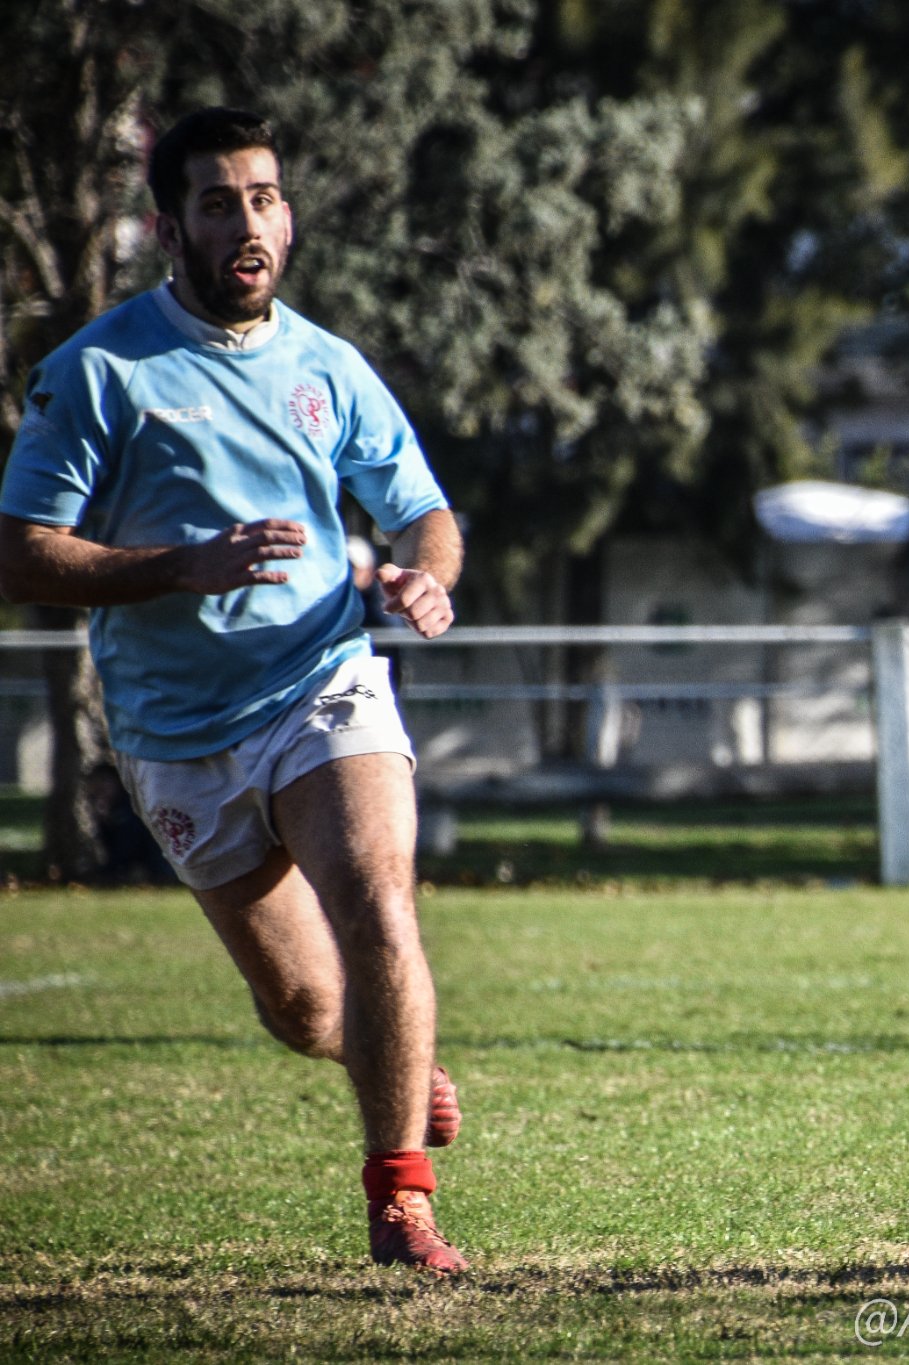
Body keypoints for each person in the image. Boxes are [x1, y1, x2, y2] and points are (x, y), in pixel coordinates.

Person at [0, 108, 468, 1275]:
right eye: (218, 202)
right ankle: (392, 1058)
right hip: (172, 732)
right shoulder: (100, 371)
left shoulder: (329, 367)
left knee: (379, 906)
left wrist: (426, 577)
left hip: (321, 683)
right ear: (169, 228)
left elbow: (422, 512)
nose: (247, 222)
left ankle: (400, 1197)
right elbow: (18, 553)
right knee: (309, 1013)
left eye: (263, 198)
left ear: (289, 216)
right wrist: (178, 568)